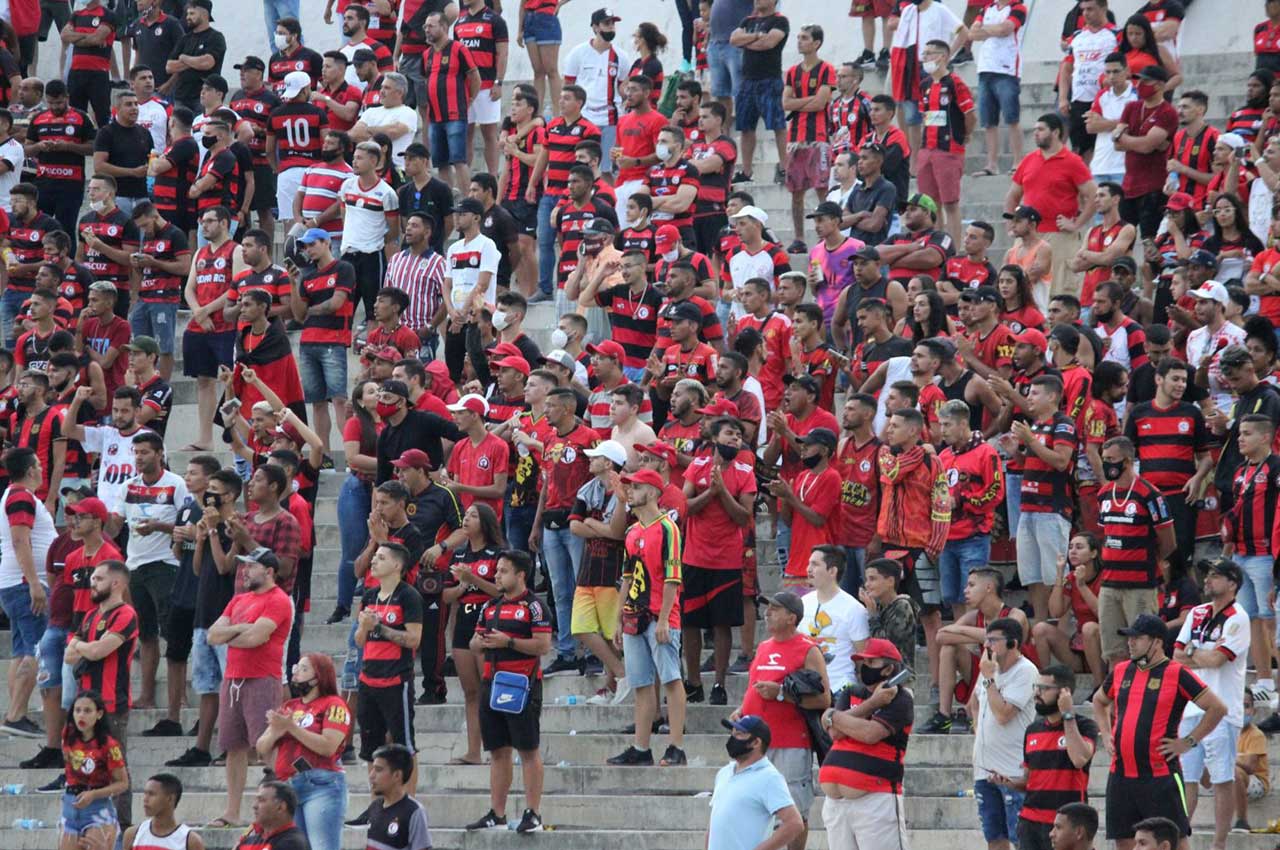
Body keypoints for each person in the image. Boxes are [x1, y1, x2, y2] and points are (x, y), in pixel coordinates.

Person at [1093, 613, 1228, 850]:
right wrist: (1105, 733)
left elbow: (1217, 708)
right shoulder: (1122, 670)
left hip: (1159, 774)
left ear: (1157, 642)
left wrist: (1188, 741)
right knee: (1124, 840)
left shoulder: (1177, 673)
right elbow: (1098, 701)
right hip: (1121, 773)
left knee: (1175, 840)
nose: (1130, 642)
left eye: (1137, 638)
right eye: (1129, 638)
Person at [732, 591, 830, 850]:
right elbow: (755, 686)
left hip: (790, 742)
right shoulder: (764, 646)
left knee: (794, 808)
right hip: (755, 743)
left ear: (792, 617)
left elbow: (824, 700)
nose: (767, 613)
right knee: (756, 806)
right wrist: (742, 709)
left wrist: (782, 694)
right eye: (768, 608)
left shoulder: (808, 649)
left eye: (775, 609)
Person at [206, 547, 294, 829]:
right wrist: (242, 629)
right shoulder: (238, 600)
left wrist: (234, 632)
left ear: (269, 572)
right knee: (234, 746)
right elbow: (212, 635)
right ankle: (232, 811)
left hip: (262, 677)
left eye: (251, 567)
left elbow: (257, 637)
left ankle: (286, 808)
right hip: (233, 677)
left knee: (266, 744)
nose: (244, 571)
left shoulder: (279, 599)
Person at [465, 549, 551, 834]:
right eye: (496, 570)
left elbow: (543, 646)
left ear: (520, 575)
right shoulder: (489, 606)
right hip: (491, 683)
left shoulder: (534, 607)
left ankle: (533, 813)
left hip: (523, 684)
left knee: (528, 749)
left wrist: (508, 642)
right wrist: (482, 642)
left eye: (503, 571)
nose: (496, 575)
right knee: (498, 751)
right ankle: (497, 813)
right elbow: (473, 644)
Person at [609, 468, 688, 765]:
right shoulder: (632, 532)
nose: (630, 491)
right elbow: (627, 578)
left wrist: (666, 618)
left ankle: (676, 746)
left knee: (671, 678)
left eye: (637, 486)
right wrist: (618, 618)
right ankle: (641, 748)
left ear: (653, 492)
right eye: (630, 486)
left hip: (658, 614)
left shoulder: (668, 528)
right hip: (633, 615)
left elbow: (672, 578)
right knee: (641, 683)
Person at [1170, 559, 1249, 850]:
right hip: (1191, 708)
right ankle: (1178, 839)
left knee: (1221, 779)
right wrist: (1199, 654)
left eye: (1215, 576)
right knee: (1187, 778)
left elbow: (1218, 660)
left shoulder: (1238, 617)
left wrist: (1194, 652)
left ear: (1232, 583)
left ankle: (1218, 845)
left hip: (1223, 709)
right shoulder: (1197, 612)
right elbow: (1177, 656)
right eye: (1208, 575)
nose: (1207, 580)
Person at [817, 637, 913, 850]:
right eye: (862, 663)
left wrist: (832, 715)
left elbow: (870, 733)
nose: (863, 668)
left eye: (871, 663)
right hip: (837, 804)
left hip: (876, 798)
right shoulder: (851, 692)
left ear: (888, 669)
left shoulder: (901, 699)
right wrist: (872, 704)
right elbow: (835, 733)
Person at [65, 560, 138, 827]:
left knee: (117, 768)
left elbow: (96, 651)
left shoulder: (126, 614)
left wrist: (81, 644)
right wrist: (85, 645)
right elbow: (69, 655)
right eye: (93, 578)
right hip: (85, 704)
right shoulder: (90, 615)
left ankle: (123, 828)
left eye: (98, 579)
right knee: (85, 762)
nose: (91, 583)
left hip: (111, 704)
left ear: (116, 583)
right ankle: (92, 822)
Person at [118, 432, 188, 710]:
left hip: (165, 565)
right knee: (145, 634)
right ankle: (146, 695)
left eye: (144, 452)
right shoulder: (128, 487)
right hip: (134, 565)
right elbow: (115, 521)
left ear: (160, 454)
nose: (138, 457)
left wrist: (159, 527)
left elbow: (187, 527)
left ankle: (178, 696)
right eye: (136, 452)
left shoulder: (176, 484)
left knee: (172, 633)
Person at [1095, 436, 1176, 664]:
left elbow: (1168, 541)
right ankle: (1118, 697)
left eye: (1111, 459)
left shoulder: (1150, 494)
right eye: (1104, 459)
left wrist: (1149, 560)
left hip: (1140, 585)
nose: (1107, 464)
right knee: (1113, 652)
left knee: (1145, 650)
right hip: (1109, 583)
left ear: (1128, 461)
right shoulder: (1103, 494)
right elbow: (1105, 535)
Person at [1004, 666, 1099, 850]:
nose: (1037, 693)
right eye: (1036, 687)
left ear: (1065, 692)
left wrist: (1068, 715)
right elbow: (1028, 780)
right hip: (1030, 822)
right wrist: (1009, 782)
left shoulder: (1085, 726)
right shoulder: (1033, 730)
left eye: (1044, 688)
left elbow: (1079, 759)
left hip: (1065, 825)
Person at [1006, 114, 1098, 297]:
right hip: (1028, 233)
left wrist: (1077, 224)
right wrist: (1011, 223)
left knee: (1059, 290)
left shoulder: (1072, 161)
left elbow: (1094, 195)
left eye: (1041, 129)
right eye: (1035, 130)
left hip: (1059, 235)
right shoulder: (1029, 160)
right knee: (1022, 288)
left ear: (1055, 132)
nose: (1036, 134)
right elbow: (1012, 195)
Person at [966, 618, 1038, 850]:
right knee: (994, 837)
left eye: (994, 640)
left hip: (1012, 770)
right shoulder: (989, 667)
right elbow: (974, 704)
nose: (988, 646)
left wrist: (988, 678)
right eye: (986, 639)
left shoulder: (1026, 671)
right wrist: (979, 732)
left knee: (1019, 838)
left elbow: (1004, 713)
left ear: (1013, 643)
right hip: (984, 769)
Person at [0, 446, 55, 738]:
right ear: (31, 469)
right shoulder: (21, 497)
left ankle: (14, 714)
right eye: (38, 464)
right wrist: (34, 583)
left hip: (16, 583)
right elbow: (21, 540)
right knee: (36, 649)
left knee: (21, 651)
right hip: (24, 583)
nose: (42, 468)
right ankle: (16, 714)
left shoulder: (17, 496)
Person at [288, 227, 355, 459]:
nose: (309, 249)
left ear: (327, 242)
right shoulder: (307, 277)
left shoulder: (343, 268)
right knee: (317, 401)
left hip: (333, 341)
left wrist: (310, 312)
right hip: (309, 343)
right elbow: (298, 315)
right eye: (306, 246)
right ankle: (323, 454)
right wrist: (293, 283)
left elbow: (335, 304)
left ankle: (350, 453)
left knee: (338, 399)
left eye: (312, 244)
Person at [708, 716, 805, 850]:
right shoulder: (724, 772)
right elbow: (714, 823)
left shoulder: (769, 777)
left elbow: (795, 823)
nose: (732, 738)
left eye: (739, 734)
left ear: (756, 742)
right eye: (732, 733)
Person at [781, 25, 835, 254]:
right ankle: (799, 238)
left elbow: (821, 103)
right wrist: (809, 101)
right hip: (795, 139)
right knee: (796, 192)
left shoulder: (826, 69)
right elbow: (785, 103)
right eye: (799, 38)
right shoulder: (792, 71)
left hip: (819, 137)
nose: (799, 42)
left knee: (822, 188)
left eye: (804, 38)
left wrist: (799, 102)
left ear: (817, 43)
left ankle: (828, 235)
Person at [58, 689, 130, 850]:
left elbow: (123, 783)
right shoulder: (67, 736)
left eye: (87, 711)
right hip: (71, 804)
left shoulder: (109, 745)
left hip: (97, 808)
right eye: (77, 710)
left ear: (99, 714)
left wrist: (93, 794)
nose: (81, 715)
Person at [729, 0, 788, 186]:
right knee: (746, 127)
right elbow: (734, 40)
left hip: (769, 79)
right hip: (747, 81)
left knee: (778, 124)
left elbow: (769, 43)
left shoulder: (780, 21)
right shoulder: (747, 21)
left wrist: (747, 41)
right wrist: (757, 37)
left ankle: (785, 167)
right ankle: (746, 171)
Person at [1114, 65, 1178, 238]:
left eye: (1145, 80)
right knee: (1122, 239)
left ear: (1159, 85)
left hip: (1154, 188)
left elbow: (1146, 145)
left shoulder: (1168, 112)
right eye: (1139, 79)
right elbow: (1116, 143)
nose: (1140, 84)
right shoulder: (1131, 107)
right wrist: (1145, 142)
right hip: (1128, 186)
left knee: (1150, 240)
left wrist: (1127, 139)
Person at [799, 545, 869, 693]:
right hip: (806, 688)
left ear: (832, 571)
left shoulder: (854, 609)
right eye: (809, 563)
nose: (808, 569)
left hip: (840, 688)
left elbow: (863, 657)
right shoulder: (803, 603)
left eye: (815, 564)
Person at [366, 744, 433, 850]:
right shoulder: (375, 807)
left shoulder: (414, 812)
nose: (371, 775)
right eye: (372, 769)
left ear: (397, 775)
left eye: (378, 770)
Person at [121, 773, 206, 850]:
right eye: (145, 793)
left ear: (170, 799)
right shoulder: (133, 834)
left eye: (151, 794)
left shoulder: (190, 841)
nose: (145, 799)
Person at [233, 782, 308, 850]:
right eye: (256, 800)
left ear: (280, 807)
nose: (254, 806)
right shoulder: (247, 841)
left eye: (261, 800)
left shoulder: (292, 843)